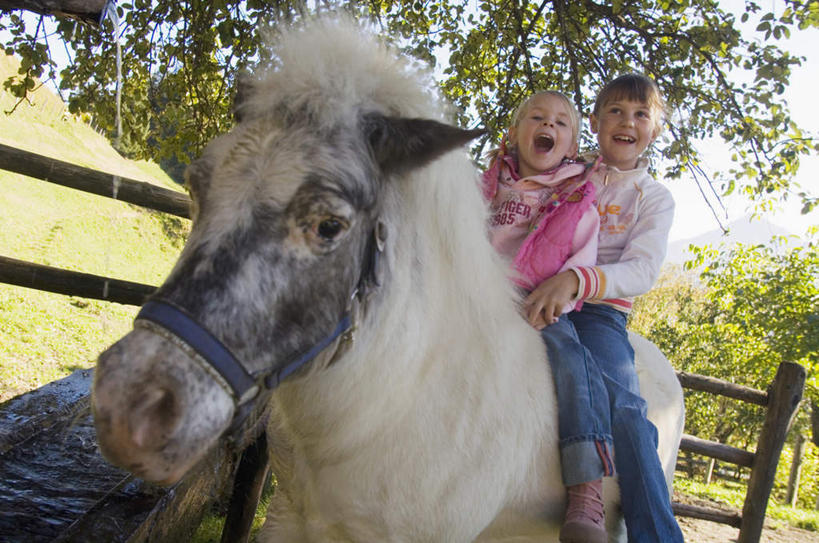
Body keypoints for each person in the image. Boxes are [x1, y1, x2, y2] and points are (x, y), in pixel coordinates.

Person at [525, 74, 684, 543]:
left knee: (627, 412)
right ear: (593, 123)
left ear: (653, 131)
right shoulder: (569, 173)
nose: (627, 122)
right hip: (539, 293)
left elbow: (643, 270)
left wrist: (578, 278)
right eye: (615, 111)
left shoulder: (654, 198)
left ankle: (656, 534)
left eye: (640, 115)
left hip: (598, 312)